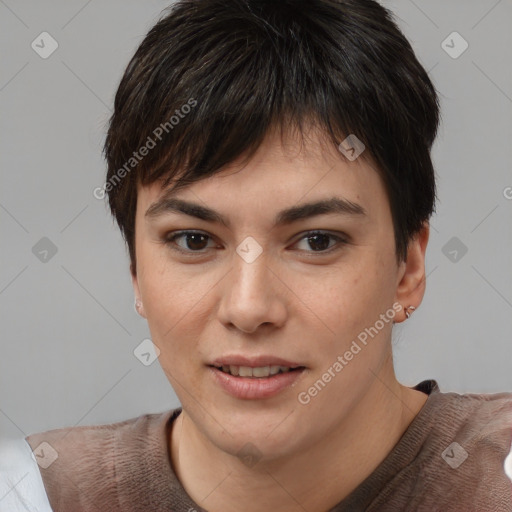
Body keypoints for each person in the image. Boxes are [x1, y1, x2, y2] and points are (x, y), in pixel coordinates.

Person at [1, 0, 511, 510]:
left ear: (409, 269)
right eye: (194, 241)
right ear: (136, 272)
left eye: (317, 241)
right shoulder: (31, 495)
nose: (248, 309)